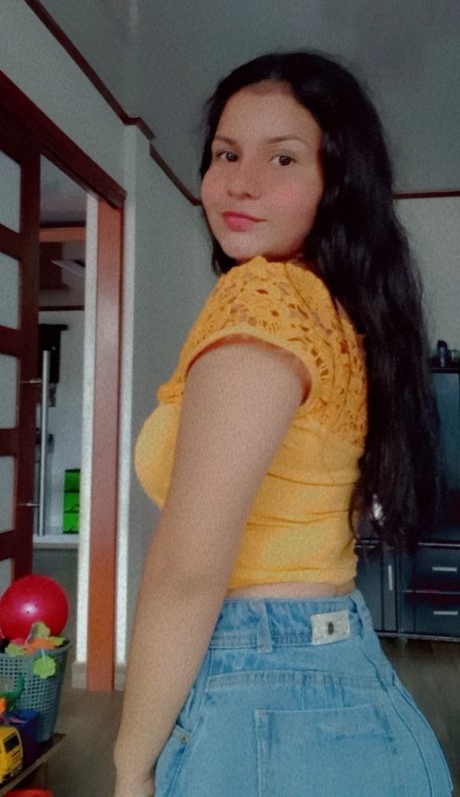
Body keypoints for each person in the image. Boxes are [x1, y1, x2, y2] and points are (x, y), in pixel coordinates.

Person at [113, 51, 453, 796]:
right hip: (350, 681)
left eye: (284, 157)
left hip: (263, 697)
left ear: (337, 183)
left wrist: (130, 765)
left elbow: (187, 569)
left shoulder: (263, 300)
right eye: (226, 154)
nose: (241, 182)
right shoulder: (340, 313)